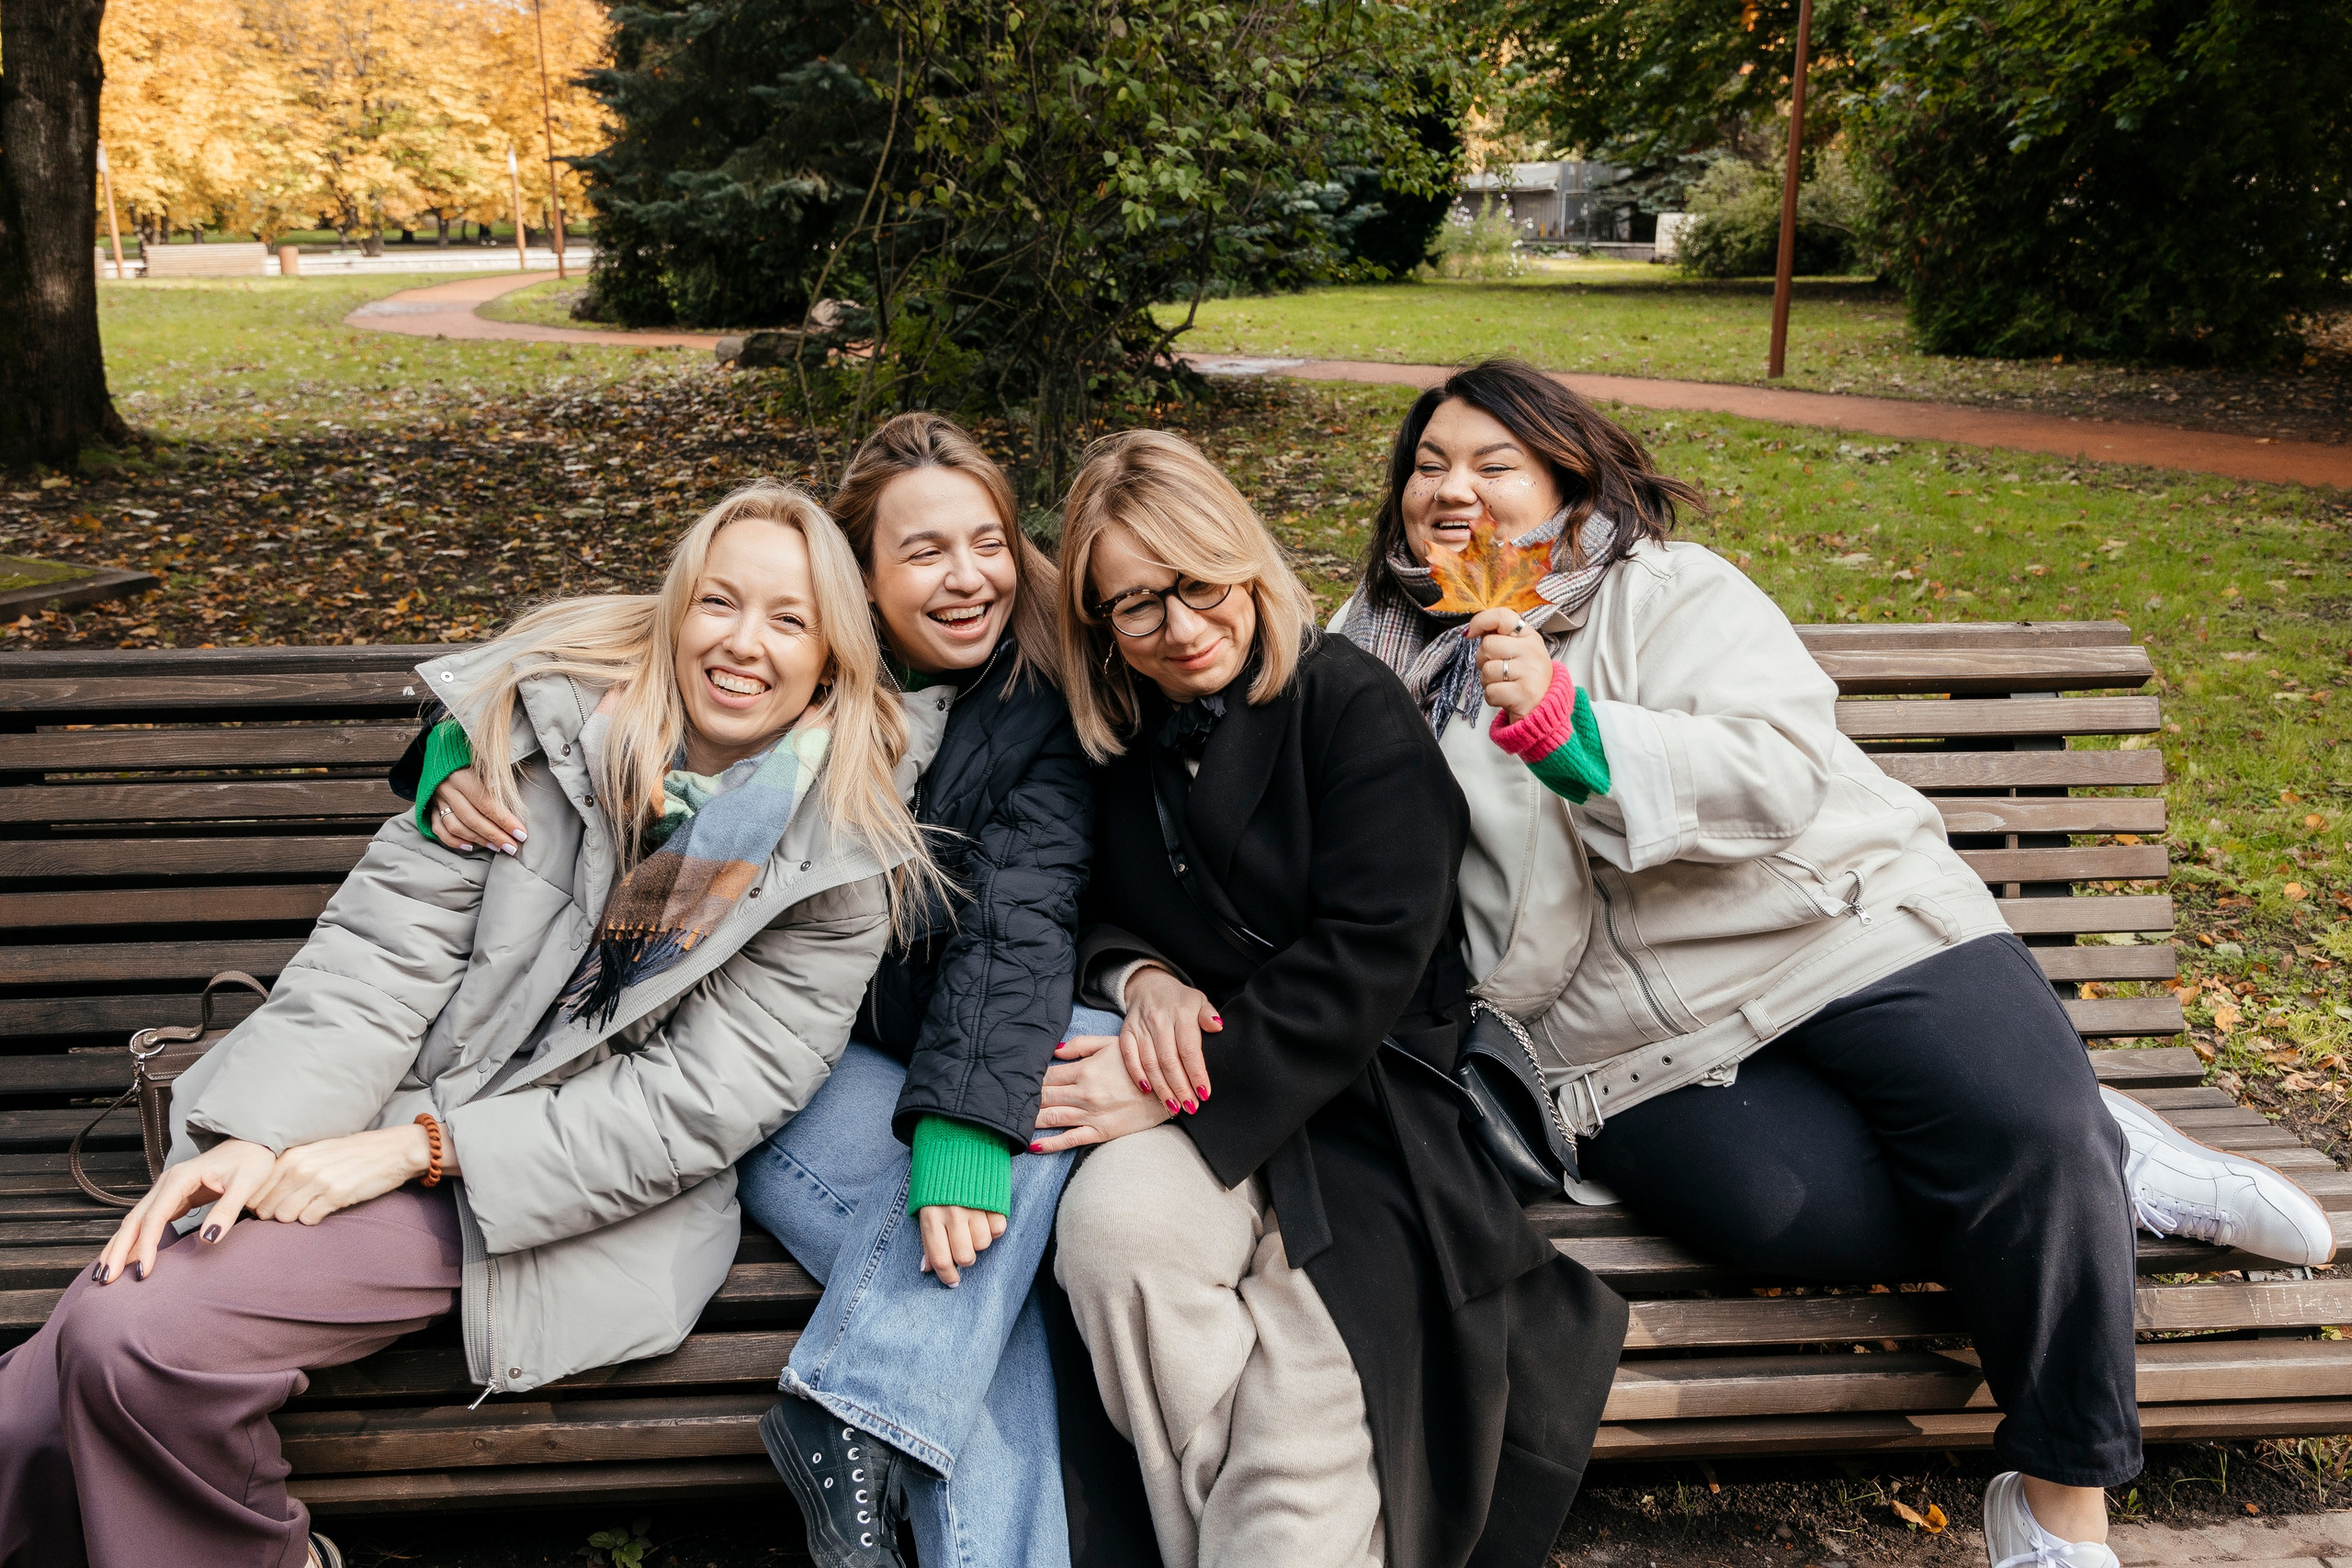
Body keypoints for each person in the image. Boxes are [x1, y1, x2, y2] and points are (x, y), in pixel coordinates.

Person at [1337, 356, 2335, 1568]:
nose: (1455, 489)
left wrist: (1580, 732)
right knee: (1790, 1210)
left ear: (1567, 478)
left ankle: (2060, 1504)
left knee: (2023, 1135)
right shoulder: (1373, 654)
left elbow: (1783, 766)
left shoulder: (1667, 589)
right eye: (1429, 466)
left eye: (1495, 464)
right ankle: (2099, 1150)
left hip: (1842, 922)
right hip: (1627, 1038)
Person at [0, 482, 933, 1568]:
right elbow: (376, 967)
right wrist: (255, 1134)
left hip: (547, 1200)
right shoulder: (532, 741)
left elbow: (692, 1109)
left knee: (131, 1339)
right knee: (32, 1410)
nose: (742, 644)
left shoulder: (839, 860)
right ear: (673, 612)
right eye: (719, 603)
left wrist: (423, 1148)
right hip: (369, 1124)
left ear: (832, 654)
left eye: (789, 619)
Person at [419, 413, 1093, 1568]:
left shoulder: (1038, 703)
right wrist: (458, 751)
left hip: (876, 1050)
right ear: (856, 572)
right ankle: (863, 1418)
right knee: (970, 1289)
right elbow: (565, 684)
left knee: (970, 1263)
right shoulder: (776, 640)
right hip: (702, 1045)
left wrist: (966, 1126)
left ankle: (853, 1422)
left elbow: (1020, 920)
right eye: (923, 551)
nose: (969, 577)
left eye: (988, 541)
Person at [1042, 428, 1626, 1568]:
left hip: (1366, 1111)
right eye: (1136, 607)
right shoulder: (1118, 736)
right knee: (1113, 1235)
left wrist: (1178, 1086)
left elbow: (1377, 951)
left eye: (1198, 586)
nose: (1180, 628)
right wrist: (1140, 976)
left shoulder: (1348, 704)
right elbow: (1087, 903)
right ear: (1098, 625)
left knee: (1303, 1441)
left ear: (1245, 563)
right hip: (1202, 1079)